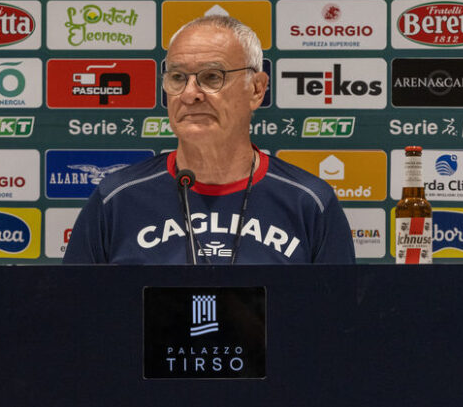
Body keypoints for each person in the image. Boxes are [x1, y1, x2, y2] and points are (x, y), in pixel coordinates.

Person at [63, 15, 355, 265]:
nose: (190, 94)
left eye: (212, 77)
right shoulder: (116, 199)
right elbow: (76, 317)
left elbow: (338, 324)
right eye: (177, 77)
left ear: (256, 89)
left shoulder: (309, 202)